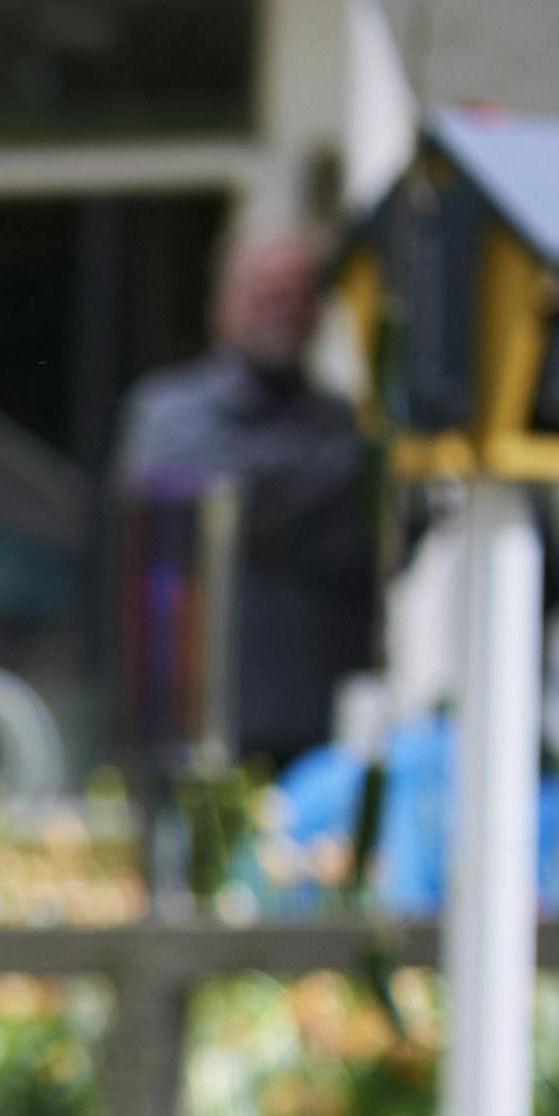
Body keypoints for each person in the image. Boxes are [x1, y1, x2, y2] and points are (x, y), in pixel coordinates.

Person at [115, 225, 382, 767]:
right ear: (221, 304)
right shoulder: (171, 412)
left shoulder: (345, 423)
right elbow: (218, 506)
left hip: (321, 726)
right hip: (194, 721)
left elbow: (376, 539)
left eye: (298, 293)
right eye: (266, 292)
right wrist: (330, 482)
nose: (284, 309)